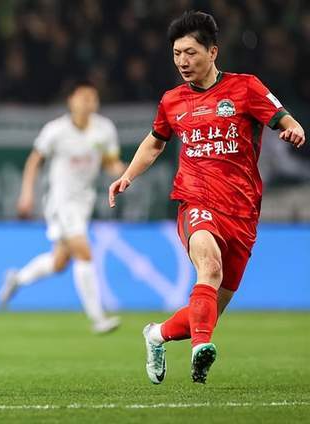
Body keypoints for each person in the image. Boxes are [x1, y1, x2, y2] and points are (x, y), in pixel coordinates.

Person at [108, 11, 305, 384]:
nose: (182, 61)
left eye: (190, 53)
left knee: (210, 308)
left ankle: (156, 334)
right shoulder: (172, 101)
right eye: (176, 54)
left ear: (212, 52)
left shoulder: (245, 88)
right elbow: (155, 142)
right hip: (195, 201)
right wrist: (127, 176)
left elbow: (283, 118)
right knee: (209, 268)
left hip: (242, 213)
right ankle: (201, 349)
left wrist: (294, 129)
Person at [0, 80, 126, 333]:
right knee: (84, 252)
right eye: (83, 97)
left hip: (84, 201)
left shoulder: (104, 129)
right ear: (71, 101)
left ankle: (17, 278)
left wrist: (124, 172)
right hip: (60, 201)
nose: (88, 102)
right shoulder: (55, 130)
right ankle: (98, 318)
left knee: (59, 262)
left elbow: (110, 162)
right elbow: (34, 161)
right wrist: (26, 194)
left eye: (93, 97)